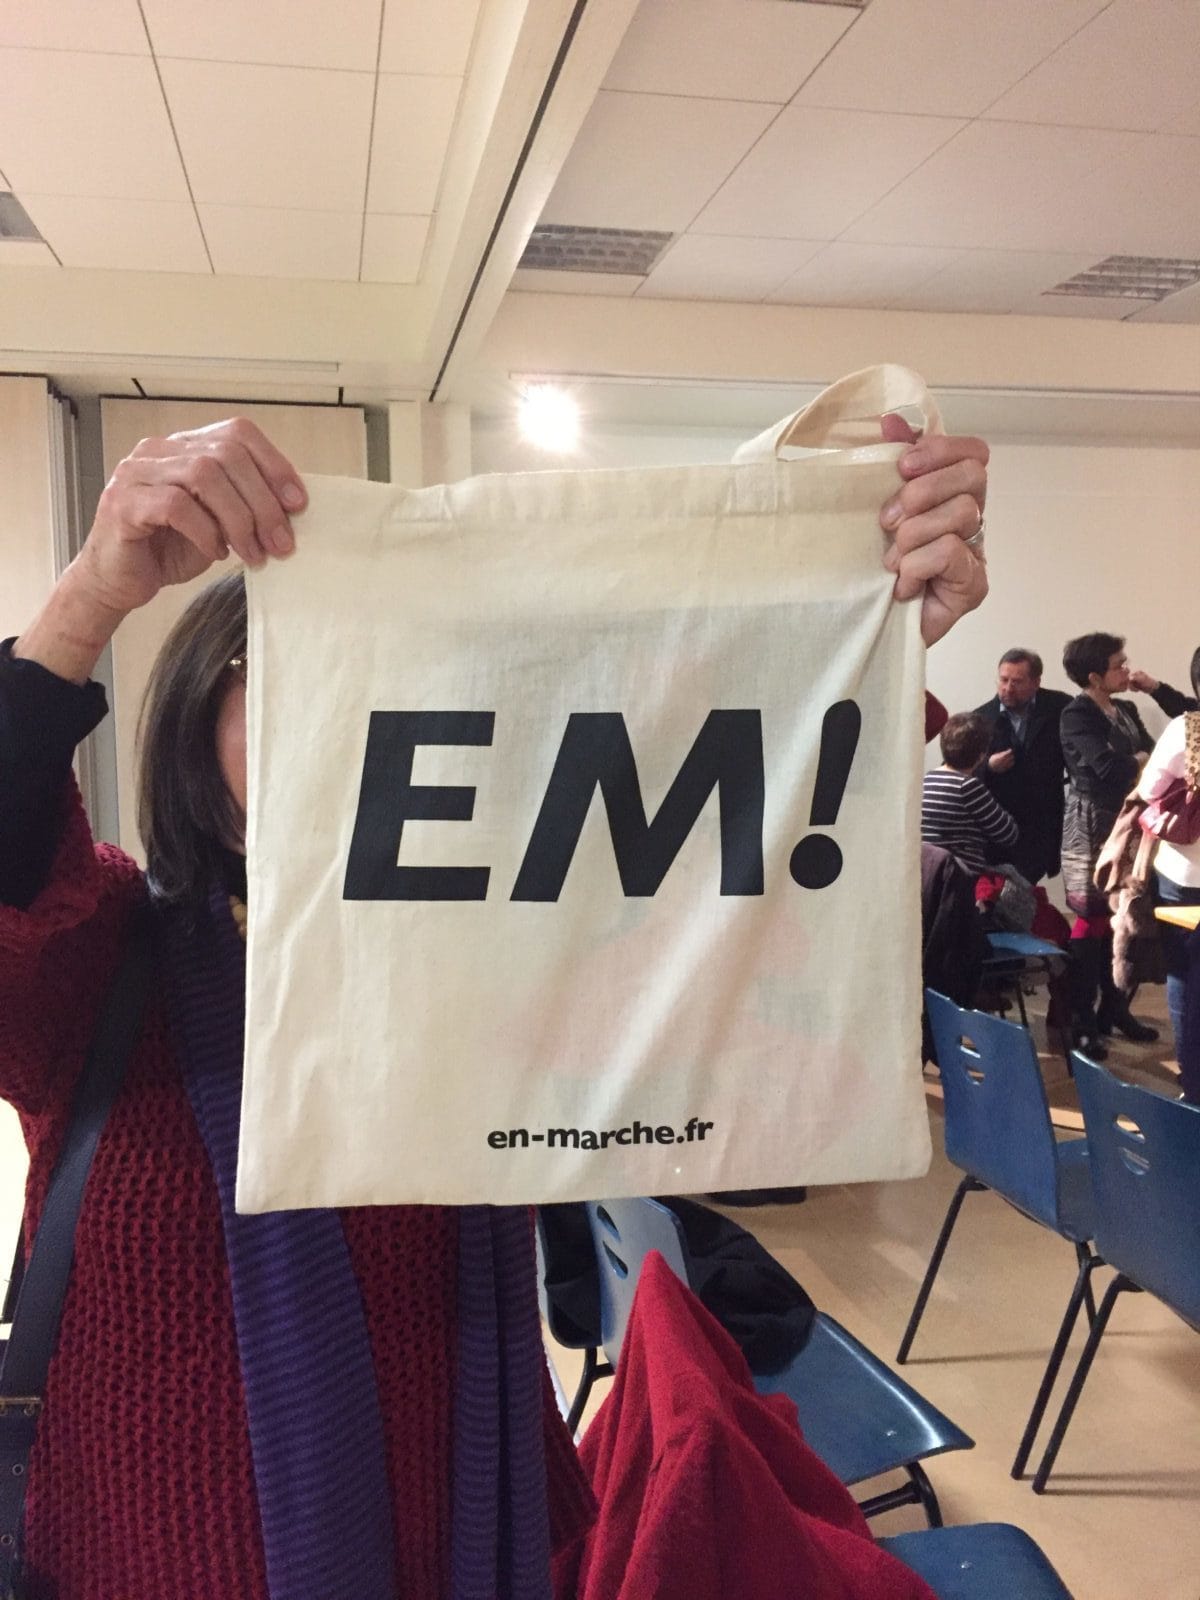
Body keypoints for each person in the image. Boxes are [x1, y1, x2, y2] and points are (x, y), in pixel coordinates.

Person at [0, 413, 988, 1597]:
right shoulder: (103, 947)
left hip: (474, 1535)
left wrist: (865, 625)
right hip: (143, 1556)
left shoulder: (513, 951)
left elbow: (731, 865)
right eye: (295, 667)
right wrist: (87, 602)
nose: (352, 709)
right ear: (194, 716)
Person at [1059, 632, 1177, 1052]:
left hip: (1127, 824)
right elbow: (1109, 768)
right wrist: (1142, 762)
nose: (1127, 671)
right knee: (1092, 920)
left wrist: (1141, 759)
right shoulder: (1076, 715)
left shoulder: (1124, 708)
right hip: (1091, 827)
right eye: (1119, 665)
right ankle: (1082, 1020)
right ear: (1094, 676)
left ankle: (1115, 1008)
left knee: (1125, 917)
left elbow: (1161, 745)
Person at [1139, 646, 1200, 1063]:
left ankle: (1194, 1079)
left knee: (1187, 974)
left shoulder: (1187, 729)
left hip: (1186, 873)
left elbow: (1148, 791)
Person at [974, 648, 1071, 883]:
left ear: (1036, 682)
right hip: (998, 827)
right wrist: (988, 767)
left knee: (1029, 891)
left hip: (1042, 823)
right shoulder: (980, 719)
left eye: (1017, 682)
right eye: (1003, 680)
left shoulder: (1061, 708)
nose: (1007, 688)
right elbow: (958, 769)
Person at [921, 711, 1018, 876]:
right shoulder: (968, 787)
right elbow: (1008, 833)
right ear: (981, 756)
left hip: (928, 874)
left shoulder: (927, 779)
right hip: (960, 880)